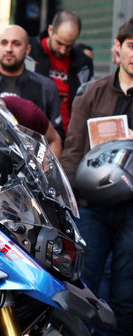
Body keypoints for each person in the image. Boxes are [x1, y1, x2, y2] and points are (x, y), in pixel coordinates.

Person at [60, 18, 133, 336]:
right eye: (132, 46)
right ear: (118, 48)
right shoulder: (92, 92)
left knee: (127, 288)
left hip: (132, 209)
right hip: (91, 205)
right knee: (84, 284)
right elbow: (73, 149)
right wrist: (66, 199)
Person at [0, 25, 64, 139]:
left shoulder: (46, 87)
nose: (9, 49)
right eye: (4, 43)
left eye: (16, 44)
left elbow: (56, 138)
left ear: (28, 49)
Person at [29, 10, 94, 135]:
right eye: (59, 43)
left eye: (69, 46)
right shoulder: (29, 51)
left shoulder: (83, 63)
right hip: (33, 131)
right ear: (50, 30)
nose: (63, 50)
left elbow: (88, 101)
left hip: (67, 135)